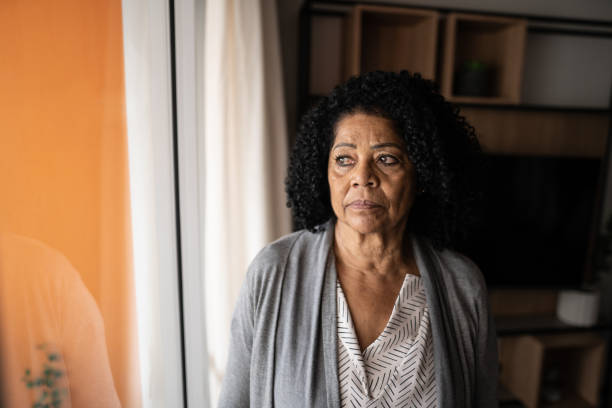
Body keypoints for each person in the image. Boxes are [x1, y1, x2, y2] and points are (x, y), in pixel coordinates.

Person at [218, 71, 498, 407]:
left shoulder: (462, 286)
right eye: (344, 160)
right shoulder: (273, 273)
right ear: (324, 171)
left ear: (422, 173)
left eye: (386, 159)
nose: (362, 177)